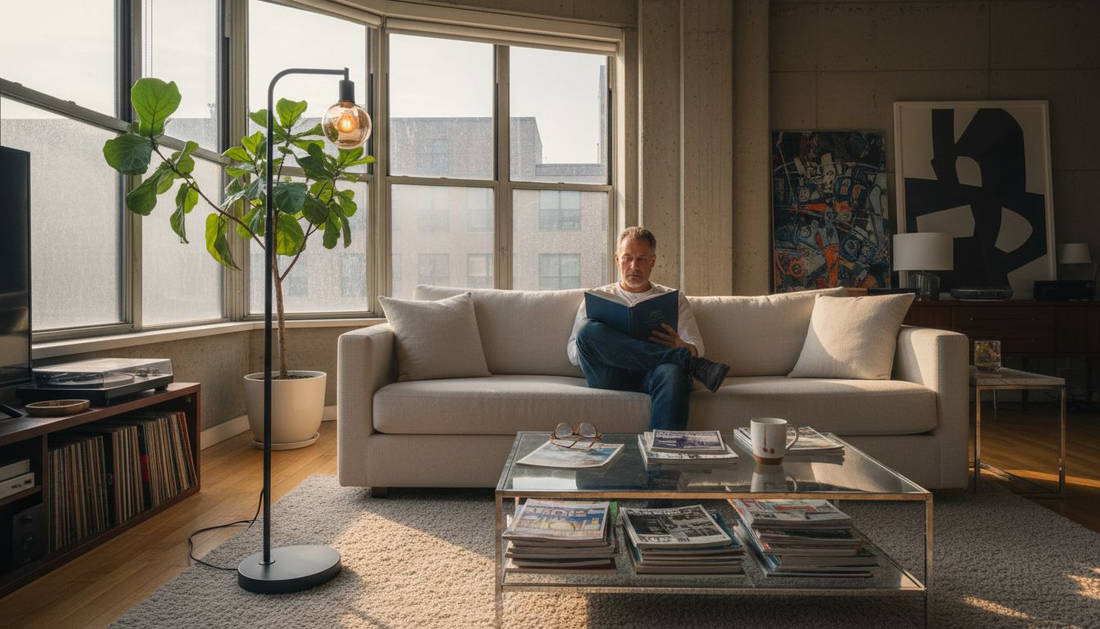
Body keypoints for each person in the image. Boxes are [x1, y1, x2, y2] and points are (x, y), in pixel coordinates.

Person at [567, 227, 731, 431]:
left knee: (672, 373)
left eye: (642, 259)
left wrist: (681, 345)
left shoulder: (673, 299)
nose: (633, 266)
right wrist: (609, 343)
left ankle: (664, 455)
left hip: (654, 373)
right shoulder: (597, 298)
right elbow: (573, 352)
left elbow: (698, 347)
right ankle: (683, 360)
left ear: (653, 261)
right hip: (609, 374)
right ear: (617, 259)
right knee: (586, 331)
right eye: (627, 258)